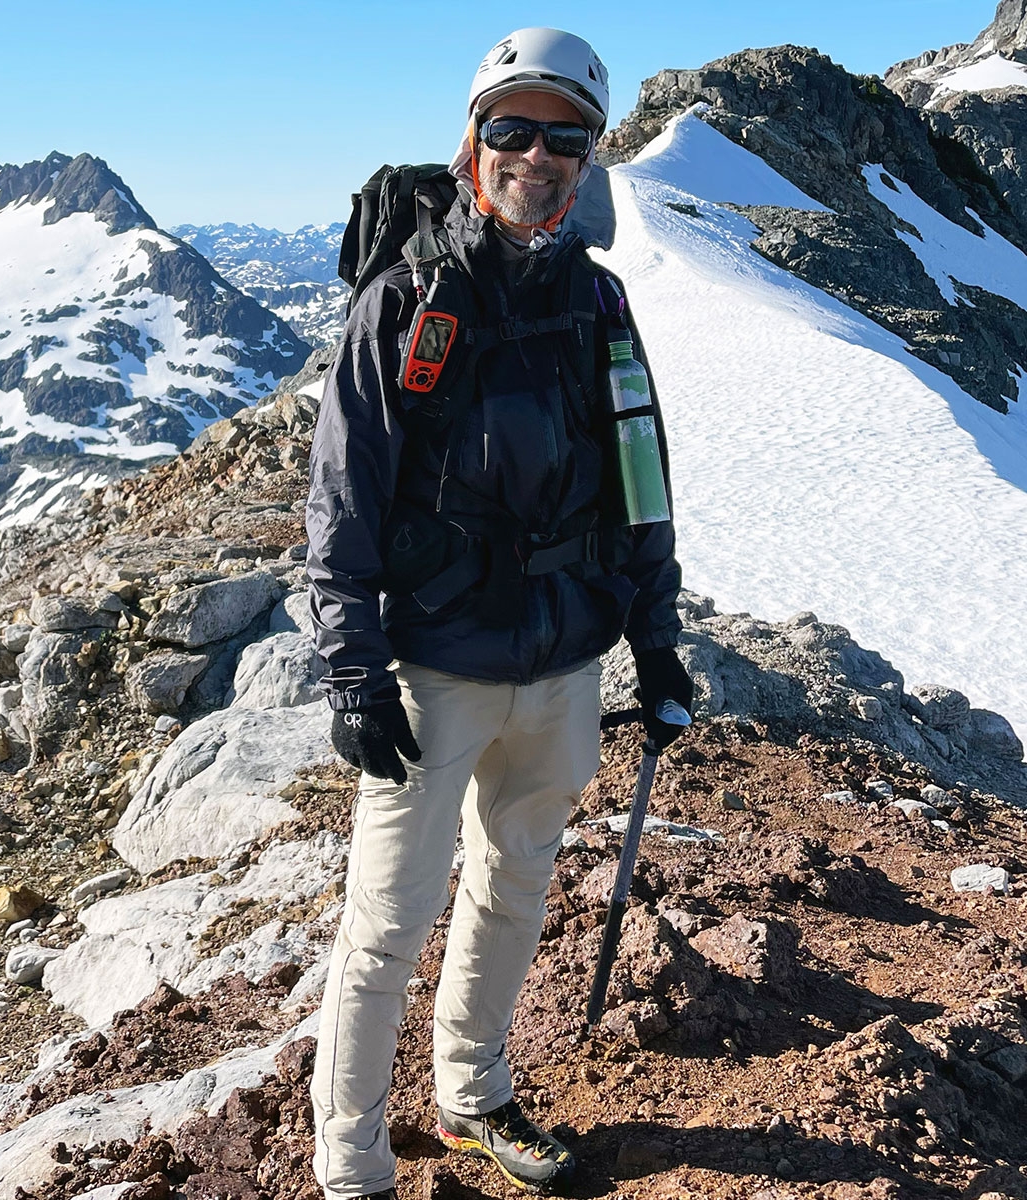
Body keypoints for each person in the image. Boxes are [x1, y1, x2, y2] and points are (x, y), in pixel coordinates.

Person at [303, 27, 693, 1199]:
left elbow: (642, 481)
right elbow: (342, 498)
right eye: (511, 128)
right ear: (473, 141)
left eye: (564, 135)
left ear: (590, 159)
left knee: (516, 886)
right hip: (434, 673)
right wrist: (353, 672)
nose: (536, 152)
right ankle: (350, 1167)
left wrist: (657, 639)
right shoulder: (407, 300)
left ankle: (473, 1095)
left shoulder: (599, 304)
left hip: (564, 664)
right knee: (385, 924)